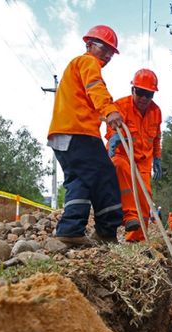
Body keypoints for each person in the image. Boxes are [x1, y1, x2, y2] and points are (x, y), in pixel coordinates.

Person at [47, 25, 124, 247]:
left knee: (80, 180)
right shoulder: (87, 61)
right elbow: (95, 87)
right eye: (105, 48)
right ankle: (107, 232)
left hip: (62, 135)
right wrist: (109, 110)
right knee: (105, 175)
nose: (108, 55)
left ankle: (70, 230)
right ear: (89, 45)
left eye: (112, 52)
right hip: (79, 133)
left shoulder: (76, 67)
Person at [106, 69, 162, 242]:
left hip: (144, 161)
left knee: (145, 200)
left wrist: (157, 157)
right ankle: (130, 215)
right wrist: (113, 136)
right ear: (133, 90)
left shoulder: (156, 111)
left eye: (149, 94)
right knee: (120, 167)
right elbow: (110, 127)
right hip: (123, 155)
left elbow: (157, 138)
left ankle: (136, 240)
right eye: (140, 92)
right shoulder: (121, 106)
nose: (144, 98)